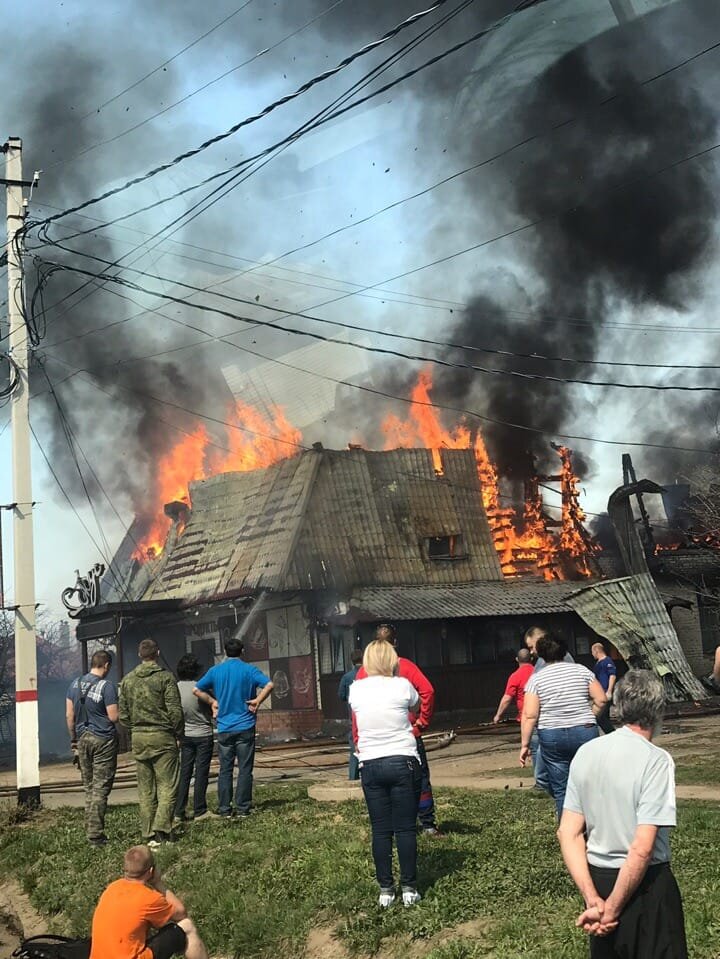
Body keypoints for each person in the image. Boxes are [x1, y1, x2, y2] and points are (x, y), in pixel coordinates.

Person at [558, 670, 688, 959]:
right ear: (658, 709)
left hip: (599, 883)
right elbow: (642, 848)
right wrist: (614, 909)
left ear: (617, 706)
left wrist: (594, 900)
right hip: (646, 887)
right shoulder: (656, 760)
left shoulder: (586, 753)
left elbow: (568, 832)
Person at [349, 639, 422, 908]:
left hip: (370, 763)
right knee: (405, 828)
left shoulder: (355, 689)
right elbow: (416, 706)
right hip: (402, 759)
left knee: (380, 830)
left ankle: (385, 890)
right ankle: (410, 889)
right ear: (392, 660)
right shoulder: (402, 685)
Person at [356, 624, 441, 837]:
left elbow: (355, 710)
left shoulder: (363, 672)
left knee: (382, 789)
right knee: (419, 779)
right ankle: (427, 824)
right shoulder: (407, 666)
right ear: (396, 643)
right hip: (406, 737)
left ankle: (390, 827)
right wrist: (422, 721)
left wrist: (358, 739)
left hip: (374, 742)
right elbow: (428, 691)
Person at [520, 633, 606, 818]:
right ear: (565, 651)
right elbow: (601, 699)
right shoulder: (582, 671)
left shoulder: (536, 679)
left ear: (541, 655)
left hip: (552, 734)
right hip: (584, 731)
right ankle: (595, 829)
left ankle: (570, 833)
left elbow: (530, 714)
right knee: (588, 784)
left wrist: (525, 744)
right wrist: (589, 716)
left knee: (561, 789)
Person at [194, 637, 273, 818]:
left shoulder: (216, 671)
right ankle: (243, 808)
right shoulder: (249, 670)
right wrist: (258, 701)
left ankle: (224, 809)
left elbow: (196, 689)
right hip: (245, 725)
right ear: (242, 651)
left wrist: (213, 702)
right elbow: (269, 684)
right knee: (245, 769)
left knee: (225, 769)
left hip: (224, 727)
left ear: (224, 652)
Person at [90, 844, 208, 959]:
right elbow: (181, 913)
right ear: (151, 870)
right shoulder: (149, 898)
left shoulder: (112, 888)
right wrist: (157, 883)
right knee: (186, 926)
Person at [119, 639, 184, 846]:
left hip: (139, 738)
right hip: (162, 737)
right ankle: (162, 829)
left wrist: (136, 729)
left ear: (139, 655)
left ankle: (147, 833)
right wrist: (176, 733)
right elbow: (175, 711)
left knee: (145, 789)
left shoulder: (127, 680)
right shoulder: (165, 678)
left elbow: (123, 715)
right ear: (158, 652)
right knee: (167, 785)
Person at [65, 650, 119, 847]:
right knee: (100, 787)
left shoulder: (74, 685)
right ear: (106, 665)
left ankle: (90, 828)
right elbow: (113, 717)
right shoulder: (107, 686)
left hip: (82, 739)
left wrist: (74, 741)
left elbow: (69, 716)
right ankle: (95, 835)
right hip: (103, 740)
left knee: (88, 786)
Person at [524, 625, 575, 793]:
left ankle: (543, 784)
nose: (531, 652)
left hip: (552, 717)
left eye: (531, 647)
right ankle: (547, 783)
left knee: (543, 746)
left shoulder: (555, 658)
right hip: (553, 717)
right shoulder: (543, 660)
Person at [173, 655, 215, 823]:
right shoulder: (201, 688)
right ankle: (200, 809)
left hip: (185, 735)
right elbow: (213, 709)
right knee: (201, 773)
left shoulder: (174, 688)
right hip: (203, 734)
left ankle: (178, 811)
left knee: (185, 773)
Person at [338, 648, 364, 780]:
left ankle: (353, 777)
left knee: (354, 747)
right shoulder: (369, 674)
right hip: (369, 716)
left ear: (352, 661)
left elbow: (341, 695)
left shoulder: (347, 677)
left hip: (353, 716)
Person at [493, 648, 534, 725]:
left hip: (526, 718)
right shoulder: (538, 672)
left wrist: (498, 715)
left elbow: (507, 699)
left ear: (517, 659)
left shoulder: (515, 676)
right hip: (542, 716)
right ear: (531, 659)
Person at [591, 642, 617, 735]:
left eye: (592, 652)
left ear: (596, 651)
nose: (592, 654)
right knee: (605, 717)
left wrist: (609, 691)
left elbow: (612, 676)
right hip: (599, 692)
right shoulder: (597, 664)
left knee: (599, 717)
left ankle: (613, 734)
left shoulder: (607, 661)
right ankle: (610, 736)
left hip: (605, 692)